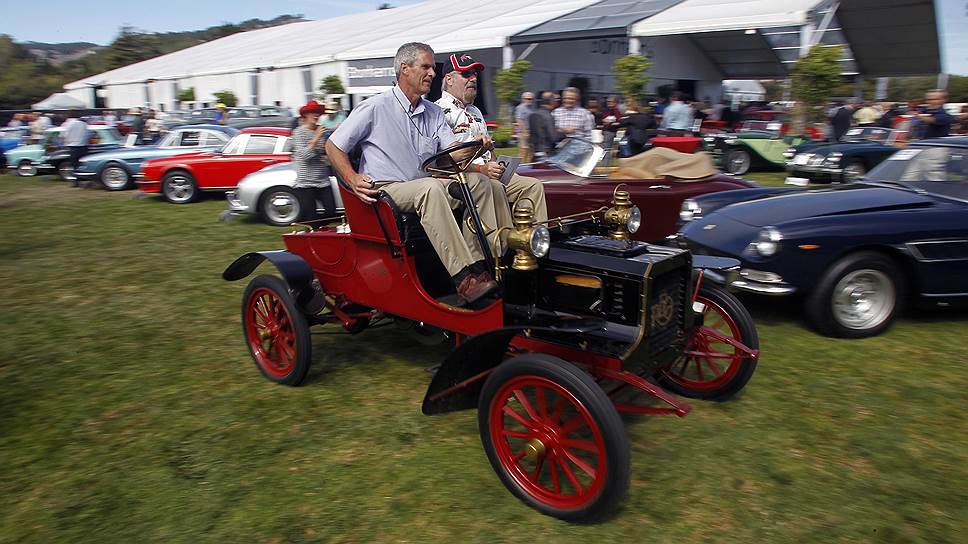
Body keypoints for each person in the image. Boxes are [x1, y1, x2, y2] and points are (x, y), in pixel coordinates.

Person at [325, 42, 499, 305]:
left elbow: (452, 154)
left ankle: (479, 265)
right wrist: (352, 178)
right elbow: (333, 145)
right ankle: (463, 278)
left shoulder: (433, 112)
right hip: (386, 188)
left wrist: (475, 147)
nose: (432, 73)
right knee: (428, 188)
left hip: (423, 186)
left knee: (480, 183)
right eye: (426, 67)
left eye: (433, 68)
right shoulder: (375, 107)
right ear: (404, 69)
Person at [436, 52, 547, 227]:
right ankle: (500, 246)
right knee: (494, 187)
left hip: (487, 172)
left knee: (533, 186)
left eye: (475, 74)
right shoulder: (438, 111)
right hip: (462, 177)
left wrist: (501, 168)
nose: (473, 78)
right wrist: (482, 170)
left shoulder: (475, 112)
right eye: (466, 74)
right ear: (449, 79)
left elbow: (489, 151)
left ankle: (532, 242)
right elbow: (443, 161)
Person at [292, 100, 337, 222]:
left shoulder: (322, 130)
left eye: (317, 113)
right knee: (310, 217)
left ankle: (324, 233)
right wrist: (316, 138)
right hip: (306, 182)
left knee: (331, 212)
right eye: (312, 112)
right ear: (305, 115)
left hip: (323, 180)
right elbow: (305, 156)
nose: (316, 115)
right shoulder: (298, 133)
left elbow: (325, 151)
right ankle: (312, 235)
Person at [528, 91, 559, 159]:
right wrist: (563, 134)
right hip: (546, 152)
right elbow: (553, 137)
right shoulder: (548, 116)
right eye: (556, 101)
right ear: (552, 102)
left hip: (534, 151)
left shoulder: (532, 114)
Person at [61, 111, 88, 187]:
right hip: (83, 146)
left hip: (73, 146)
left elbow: (65, 135)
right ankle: (84, 178)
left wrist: (66, 143)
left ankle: (76, 181)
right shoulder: (83, 124)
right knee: (82, 164)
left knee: (74, 165)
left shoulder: (68, 123)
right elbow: (87, 134)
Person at [514, 91, 534, 162]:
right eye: (527, 99)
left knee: (531, 151)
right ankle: (519, 167)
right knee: (523, 151)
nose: (529, 100)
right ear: (523, 99)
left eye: (531, 99)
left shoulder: (531, 108)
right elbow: (519, 120)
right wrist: (525, 132)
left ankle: (528, 166)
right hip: (523, 132)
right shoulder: (520, 108)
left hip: (530, 132)